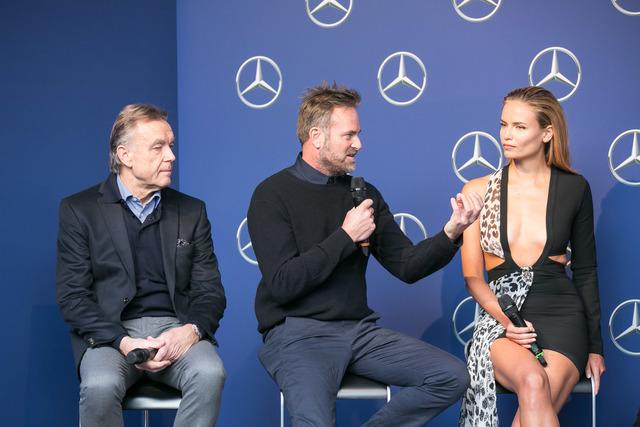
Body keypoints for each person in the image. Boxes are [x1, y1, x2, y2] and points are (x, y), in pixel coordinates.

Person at [247, 82, 483, 426]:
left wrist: (452, 232)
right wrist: (345, 237)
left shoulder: (363, 194)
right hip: (297, 335)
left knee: (451, 376)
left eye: (358, 134)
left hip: (357, 332)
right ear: (316, 136)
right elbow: (283, 284)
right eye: (349, 135)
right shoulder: (272, 194)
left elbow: (407, 265)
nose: (358, 144)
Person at [56, 104, 226, 427]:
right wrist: (123, 342)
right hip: (110, 335)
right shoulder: (79, 210)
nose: (171, 156)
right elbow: (73, 297)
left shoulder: (192, 211)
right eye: (158, 147)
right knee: (100, 385)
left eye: (171, 145)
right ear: (125, 155)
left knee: (209, 372)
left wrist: (189, 332)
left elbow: (210, 292)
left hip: (175, 330)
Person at [458, 86, 606, 427]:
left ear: (547, 133)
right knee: (533, 380)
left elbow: (585, 271)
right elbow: (473, 277)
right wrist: (508, 322)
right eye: (503, 124)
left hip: (562, 317)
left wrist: (595, 347)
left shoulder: (574, 188)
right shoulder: (478, 190)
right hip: (501, 320)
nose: (506, 135)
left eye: (519, 127)